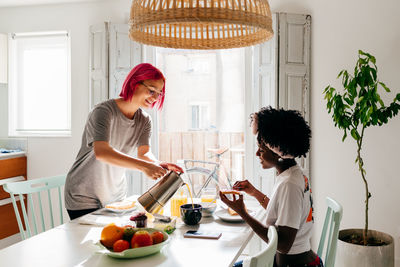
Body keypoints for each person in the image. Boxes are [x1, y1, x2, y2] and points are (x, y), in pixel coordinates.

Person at [65, 63, 183, 220]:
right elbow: (102, 152)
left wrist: (157, 164)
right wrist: (145, 167)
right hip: (83, 194)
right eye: (151, 90)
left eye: (159, 94)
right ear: (134, 83)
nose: (155, 98)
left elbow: (144, 153)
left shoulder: (144, 120)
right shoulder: (104, 112)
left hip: (115, 195)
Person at [220, 106, 323, 267]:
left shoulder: (289, 185)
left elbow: (282, 244)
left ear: (277, 152)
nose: (257, 154)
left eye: (261, 150)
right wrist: (254, 192)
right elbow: (285, 215)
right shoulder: (294, 174)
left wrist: (243, 213)